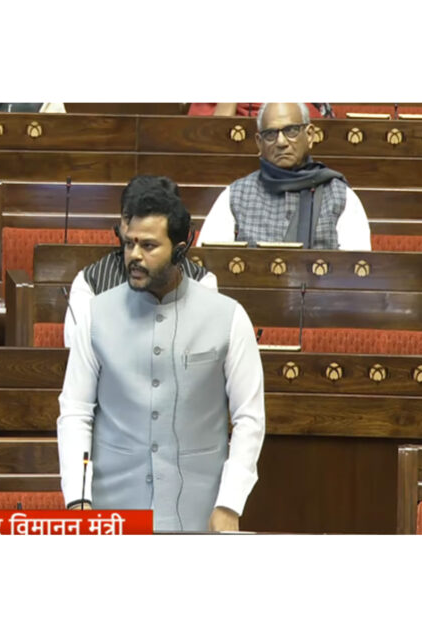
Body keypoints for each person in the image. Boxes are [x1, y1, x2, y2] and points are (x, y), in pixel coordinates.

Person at [57, 182, 265, 532]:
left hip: (201, 511)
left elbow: (249, 418)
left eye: (149, 246)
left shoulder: (229, 317)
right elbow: (75, 411)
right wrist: (78, 499)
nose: (134, 255)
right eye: (129, 243)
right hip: (113, 510)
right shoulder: (95, 315)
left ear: (180, 250)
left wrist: (230, 502)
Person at [63, 175, 218, 346]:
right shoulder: (90, 282)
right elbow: (78, 349)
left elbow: (205, 347)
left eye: (149, 243)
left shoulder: (202, 282)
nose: (136, 229)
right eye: (129, 219)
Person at [198, 102, 371, 250]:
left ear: (310, 135)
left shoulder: (341, 197)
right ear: (259, 143)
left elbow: (357, 270)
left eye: (291, 131)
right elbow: (206, 268)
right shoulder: (235, 196)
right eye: (270, 134)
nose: (281, 142)